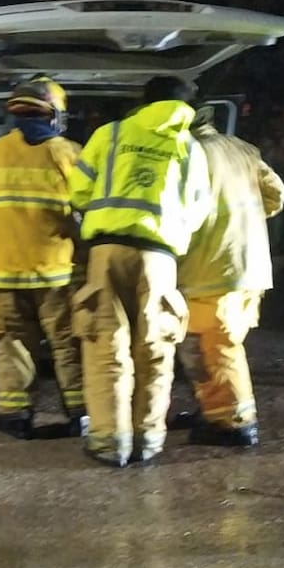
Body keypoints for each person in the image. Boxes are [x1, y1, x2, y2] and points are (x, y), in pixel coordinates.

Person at [67, 76, 213, 467]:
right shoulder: (190, 149)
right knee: (154, 351)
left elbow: (78, 190)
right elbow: (199, 212)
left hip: (106, 253)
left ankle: (109, 443)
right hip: (160, 258)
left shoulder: (110, 134)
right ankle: (147, 441)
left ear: (144, 102)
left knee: (106, 350)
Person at [0, 76, 85, 439]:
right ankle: (80, 412)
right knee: (67, 343)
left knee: (11, 343)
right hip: (56, 272)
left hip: (3, 270)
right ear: (55, 116)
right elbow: (87, 209)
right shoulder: (69, 153)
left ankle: (14, 414)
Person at [177, 107, 284, 447]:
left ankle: (234, 422)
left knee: (213, 347)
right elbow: (276, 196)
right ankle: (215, 408)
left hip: (210, 270)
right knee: (220, 344)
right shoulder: (242, 148)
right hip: (250, 268)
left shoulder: (187, 154)